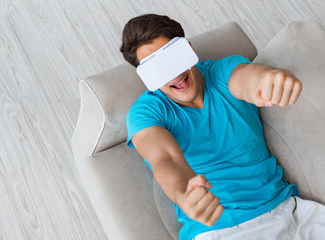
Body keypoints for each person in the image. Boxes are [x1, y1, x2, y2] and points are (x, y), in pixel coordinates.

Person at [120, 14, 325, 240]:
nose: (174, 74)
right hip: (221, 232)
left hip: (290, 211)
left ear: (188, 49)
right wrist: (183, 194)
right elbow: (164, 159)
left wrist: (272, 79)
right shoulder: (146, 113)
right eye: (157, 68)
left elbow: (249, 79)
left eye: (172, 58)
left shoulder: (224, 70)